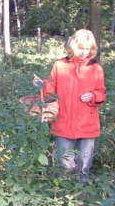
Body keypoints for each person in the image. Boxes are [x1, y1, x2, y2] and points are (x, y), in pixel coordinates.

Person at [34, 29, 106, 184]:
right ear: (72, 46)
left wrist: (93, 96)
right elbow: (50, 91)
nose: (84, 52)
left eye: (88, 49)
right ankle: (65, 194)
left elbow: (102, 93)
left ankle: (82, 193)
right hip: (63, 121)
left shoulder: (96, 68)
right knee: (65, 163)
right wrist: (42, 85)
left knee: (84, 165)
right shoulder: (60, 65)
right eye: (81, 48)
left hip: (88, 123)